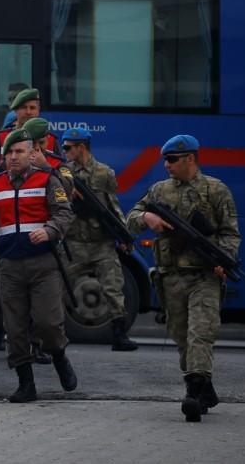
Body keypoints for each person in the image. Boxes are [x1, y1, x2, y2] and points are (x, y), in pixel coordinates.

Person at [126, 134, 240, 423]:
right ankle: (205, 388)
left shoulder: (215, 190)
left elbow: (229, 233)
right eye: (165, 159)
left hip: (204, 276)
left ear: (191, 159)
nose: (167, 164)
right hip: (171, 277)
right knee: (181, 337)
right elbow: (132, 217)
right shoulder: (159, 191)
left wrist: (222, 260)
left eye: (172, 159)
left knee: (200, 333)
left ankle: (193, 393)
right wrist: (147, 220)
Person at [0, 128, 77, 403]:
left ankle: (59, 355)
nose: (14, 157)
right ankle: (25, 383)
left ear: (32, 153)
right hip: (9, 265)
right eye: (9, 153)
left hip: (44, 263)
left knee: (48, 324)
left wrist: (50, 231)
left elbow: (64, 214)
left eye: (20, 152)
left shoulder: (47, 179)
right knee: (15, 329)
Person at [62, 127, 138, 352]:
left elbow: (112, 206)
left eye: (68, 147)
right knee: (56, 286)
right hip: (74, 242)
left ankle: (119, 334)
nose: (65, 151)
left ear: (81, 147)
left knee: (113, 287)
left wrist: (124, 235)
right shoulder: (64, 173)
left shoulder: (104, 173)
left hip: (100, 243)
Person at [0, 88, 61, 164]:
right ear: (15, 111)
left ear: (38, 110)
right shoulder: (0, 138)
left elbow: (61, 170)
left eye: (32, 108)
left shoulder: (51, 139)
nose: (28, 112)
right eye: (24, 107)